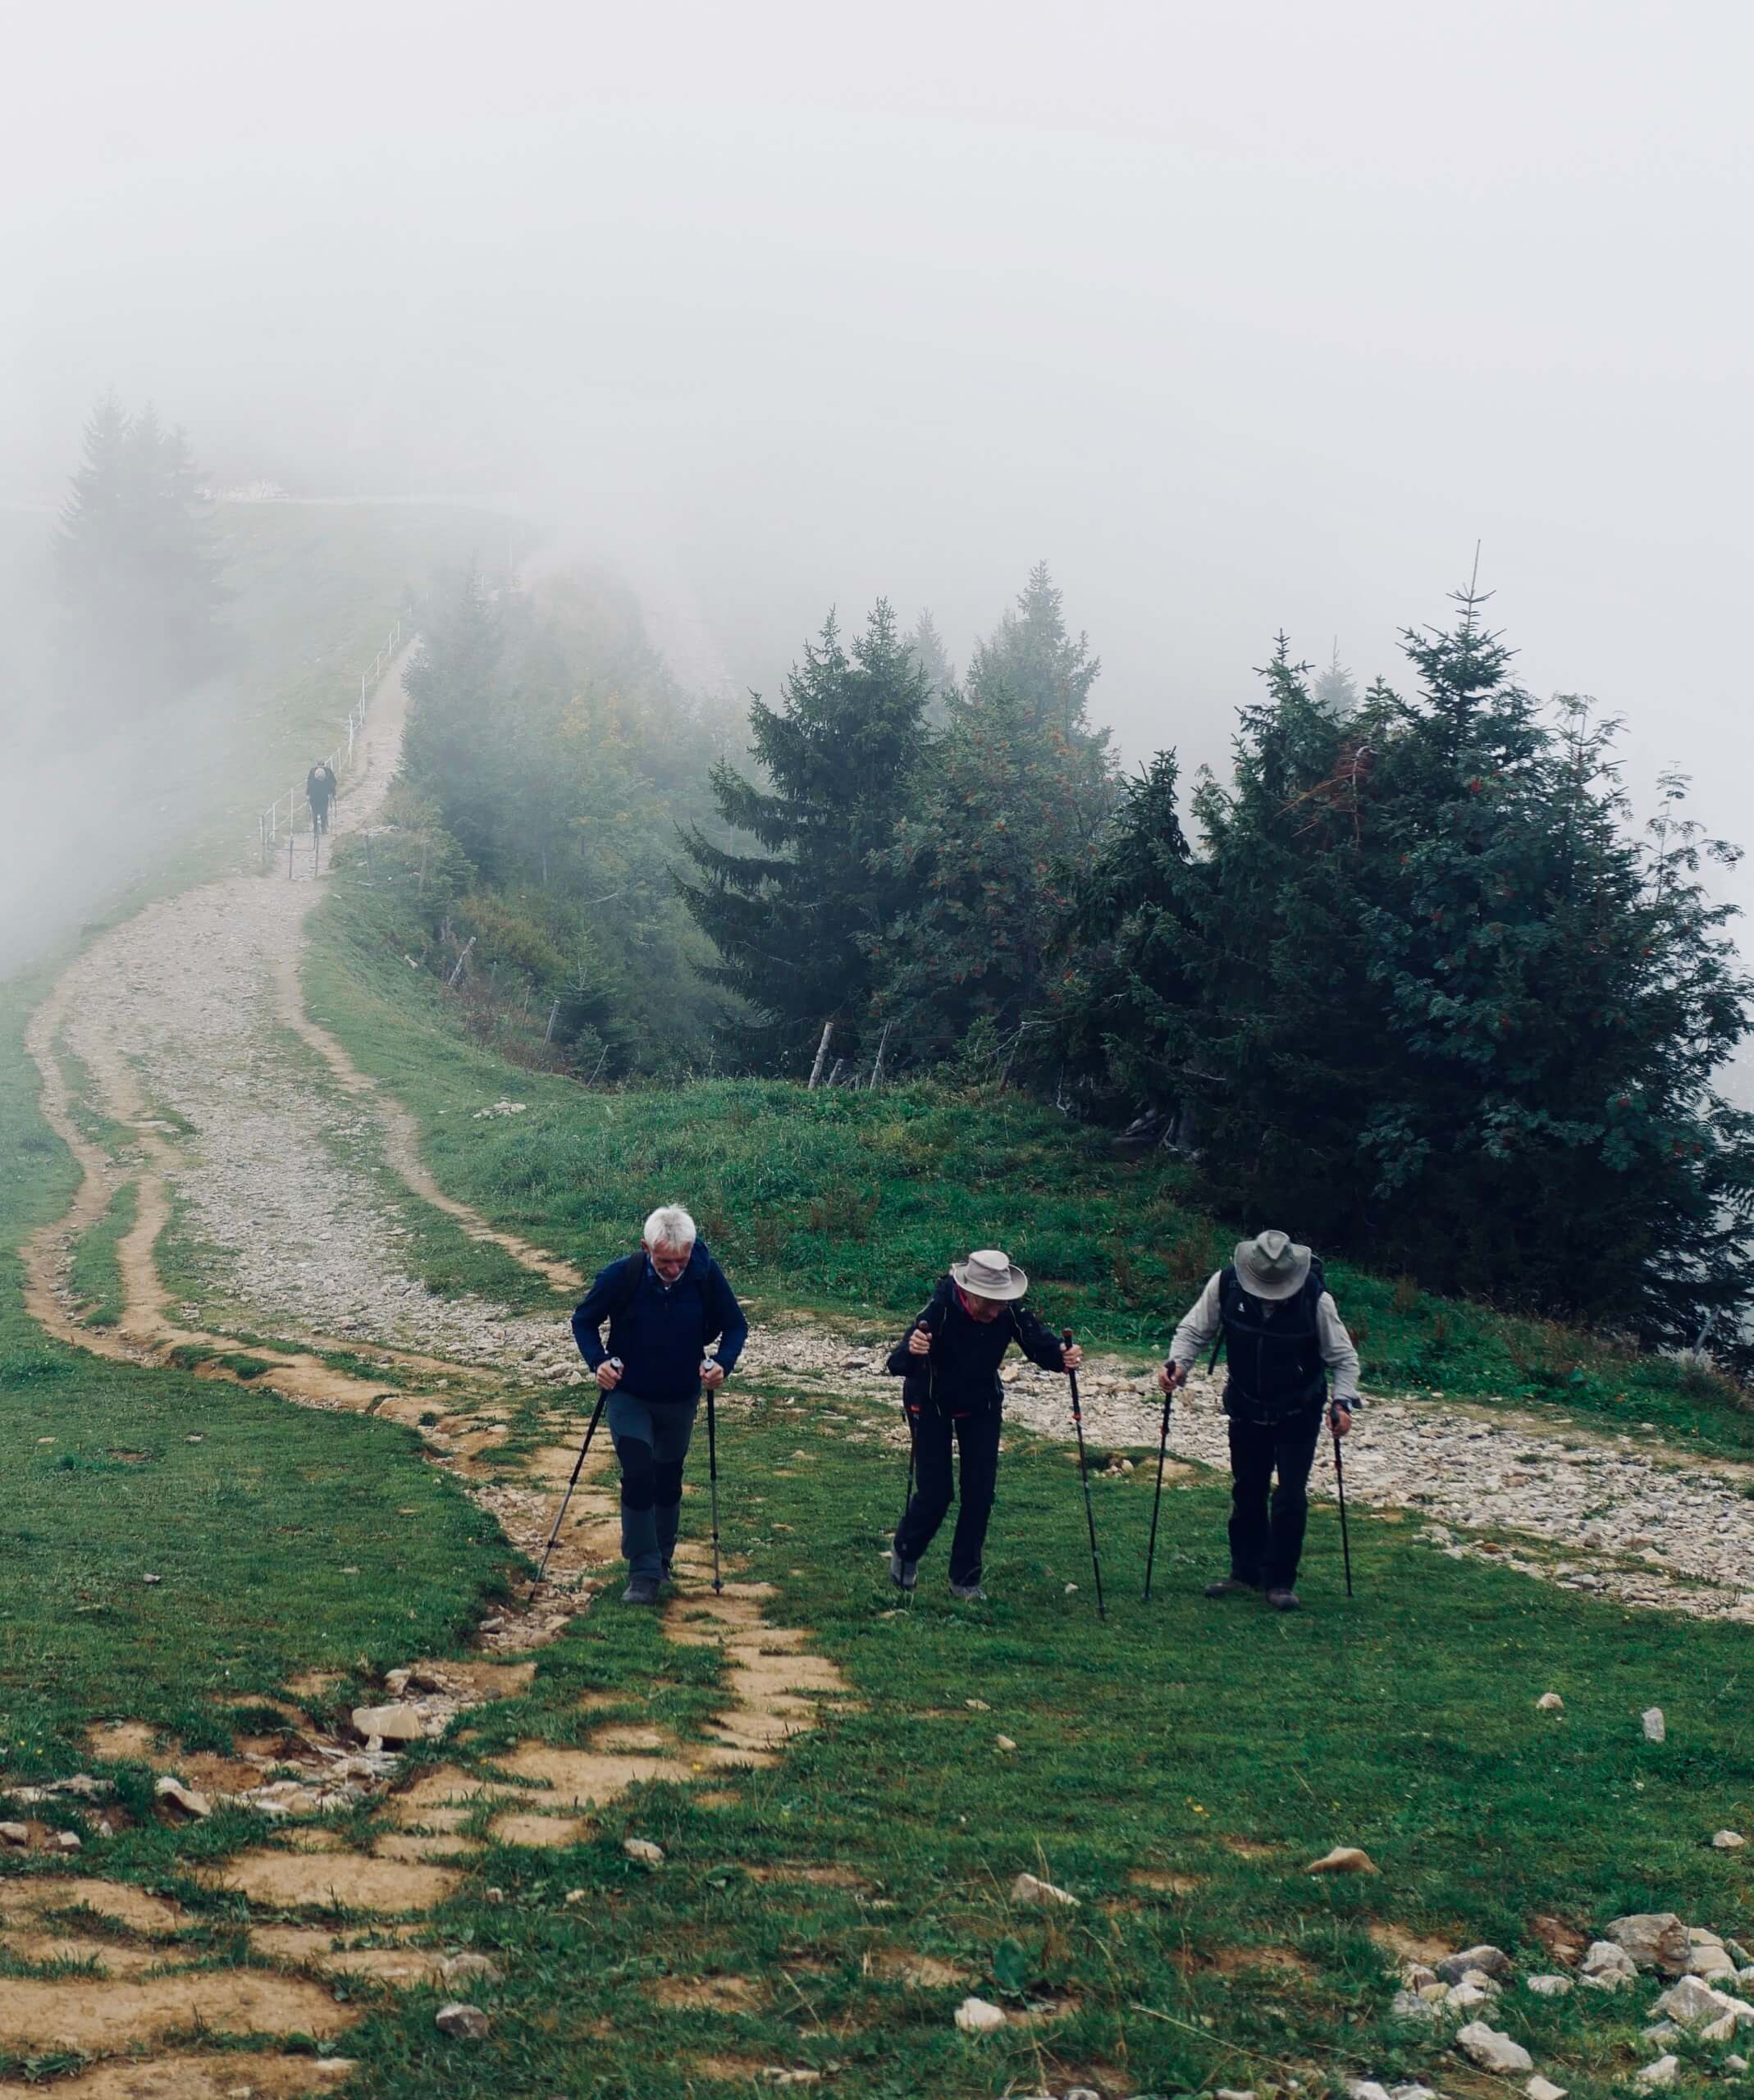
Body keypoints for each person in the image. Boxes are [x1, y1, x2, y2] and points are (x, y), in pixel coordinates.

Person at [1159, 1229, 1359, 1612]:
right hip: (1246, 1407)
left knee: (1290, 1497)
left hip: (1298, 1411)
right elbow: (1193, 1330)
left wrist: (1343, 1403)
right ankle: (1245, 1572)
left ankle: (1281, 1582)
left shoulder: (1316, 1298)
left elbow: (1343, 1358)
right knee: (1247, 1489)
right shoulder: (1226, 1284)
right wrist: (1178, 1365)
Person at [570, 1205, 748, 1605]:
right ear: (646, 1247)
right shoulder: (623, 1274)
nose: (673, 1270)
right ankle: (643, 1572)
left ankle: (663, 1562)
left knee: (668, 1478)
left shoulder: (704, 1273)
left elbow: (736, 1324)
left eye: (680, 1261)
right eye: (664, 1261)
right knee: (638, 1473)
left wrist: (722, 1364)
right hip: (629, 1393)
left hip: (680, 1394)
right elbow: (583, 1320)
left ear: (690, 1250)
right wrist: (598, 1362)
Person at [886, 1248, 1082, 1601]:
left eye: (1001, 1302)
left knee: (979, 1493)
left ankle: (965, 1579)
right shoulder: (939, 1310)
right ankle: (906, 1550)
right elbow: (897, 1363)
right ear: (968, 1293)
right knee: (937, 1494)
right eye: (989, 1303)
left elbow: (1039, 1343)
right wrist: (913, 1350)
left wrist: (1062, 1356)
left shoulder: (1007, 1312)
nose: (996, 1310)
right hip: (930, 1404)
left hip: (981, 1405)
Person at [306, 760, 338, 834]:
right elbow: (309, 784)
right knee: (317, 813)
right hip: (318, 798)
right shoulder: (321, 780)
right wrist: (308, 795)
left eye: (322, 765)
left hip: (320, 798)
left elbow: (332, 784)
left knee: (321, 813)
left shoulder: (327, 774)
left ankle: (322, 828)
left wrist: (333, 794)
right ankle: (317, 829)